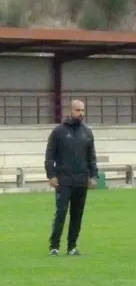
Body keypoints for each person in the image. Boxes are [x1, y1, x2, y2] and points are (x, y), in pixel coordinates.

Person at [44, 99, 98, 256]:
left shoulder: (87, 132)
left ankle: (72, 246)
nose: (80, 113)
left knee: (77, 214)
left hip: (81, 180)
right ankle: (54, 246)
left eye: (82, 110)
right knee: (61, 212)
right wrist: (51, 175)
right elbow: (49, 155)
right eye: (77, 110)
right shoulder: (58, 132)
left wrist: (93, 175)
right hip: (64, 180)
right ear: (70, 111)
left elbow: (91, 157)